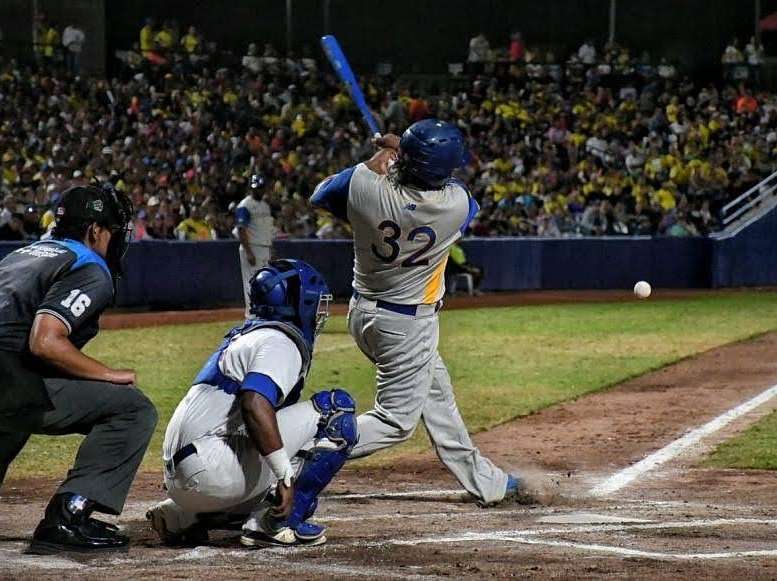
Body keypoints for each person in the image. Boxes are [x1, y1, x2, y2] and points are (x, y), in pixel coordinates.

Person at [310, 119, 526, 506]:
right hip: (406, 324)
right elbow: (442, 184)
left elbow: (322, 195)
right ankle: (301, 454)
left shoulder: (364, 186)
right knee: (394, 421)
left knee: (437, 397)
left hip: (364, 313)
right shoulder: (455, 206)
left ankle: (486, 482)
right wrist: (402, 151)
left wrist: (384, 154)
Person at [145, 259, 356, 547]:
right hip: (210, 469)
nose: (319, 311)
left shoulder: (247, 337)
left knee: (269, 438)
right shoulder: (278, 341)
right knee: (335, 412)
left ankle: (185, 514)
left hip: (184, 474)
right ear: (299, 303)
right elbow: (254, 403)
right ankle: (278, 522)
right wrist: (285, 475)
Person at [0, 183, 157, 554]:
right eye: (115, 231)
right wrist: (107, 373)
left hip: (10, 378)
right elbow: (45, 341)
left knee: (22, 402)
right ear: (96, 231)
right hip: (8, 379)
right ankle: (67, 517)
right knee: (133, 409)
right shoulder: (89, 265)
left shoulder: (21, 255)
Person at [234, 174, 275, 317]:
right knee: (252, 282)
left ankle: (263, 313)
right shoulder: (245, 206)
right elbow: (241, 229)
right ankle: (251, 315)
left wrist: (271, 250)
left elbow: (267, 231)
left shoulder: (265, 206)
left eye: (261, 188)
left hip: (265, 247)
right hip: (252, 247)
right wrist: (248, 251)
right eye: (256, 188)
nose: (259, 191)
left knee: (266, 282)